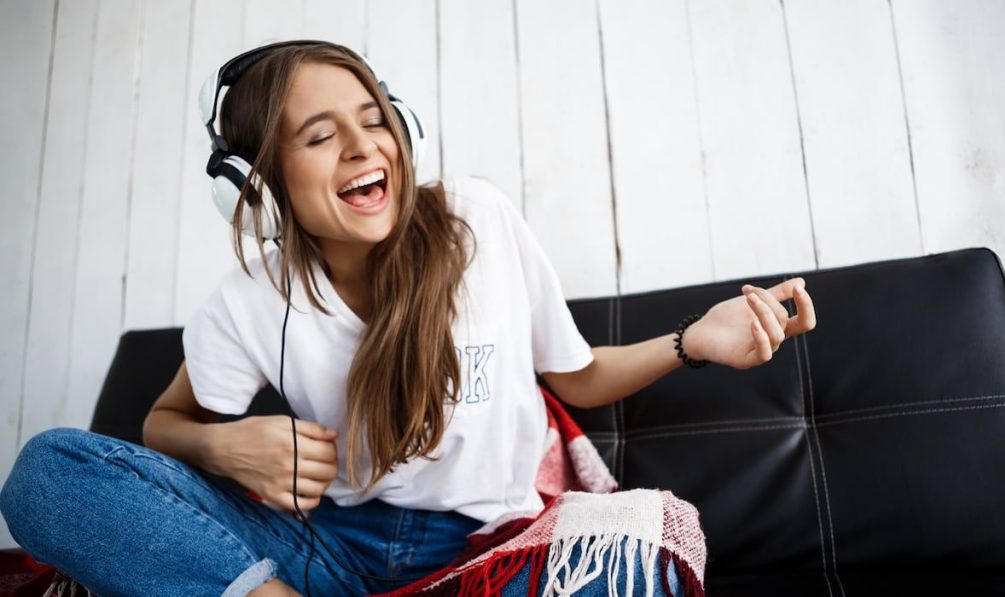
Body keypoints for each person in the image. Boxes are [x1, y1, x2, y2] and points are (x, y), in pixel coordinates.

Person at [0, 41, 816, 596]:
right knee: (44, 475)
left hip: (485, 547)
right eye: (322, 137)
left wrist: (691, 341)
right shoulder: (248, 304)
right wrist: (222, 442)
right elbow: (162, 424)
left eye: (373, 118)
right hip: (328, 545)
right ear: (256, 183)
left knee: (641, 563)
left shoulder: (478, 222)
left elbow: (575, 373)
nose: (365, 147)